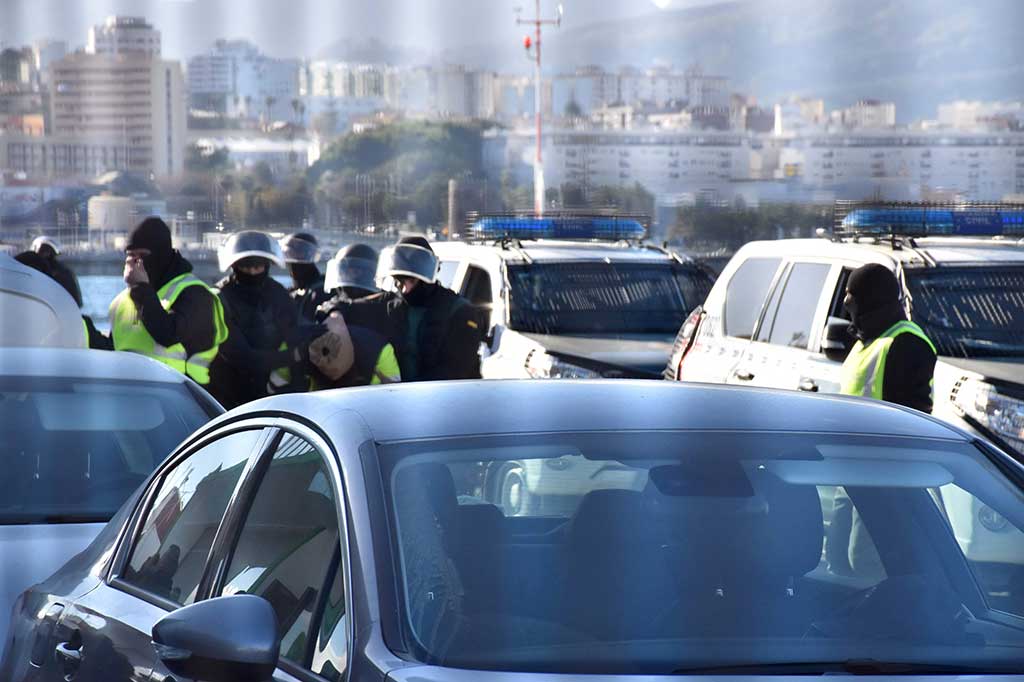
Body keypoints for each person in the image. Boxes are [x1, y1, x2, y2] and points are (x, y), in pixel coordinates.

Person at [827, 263, 937, 578]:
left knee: (866, 562)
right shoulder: (866, 340)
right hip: (848, 472)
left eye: (853, 299)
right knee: (837, 563)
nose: (848, 307)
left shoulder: (906, 342)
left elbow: (910, 419)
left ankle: (879, 623)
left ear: (871, 301)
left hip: (883, 476)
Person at [105, 217, 229, 387]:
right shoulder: (120, 302)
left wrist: (142, 288)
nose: (136, 263)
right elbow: (110, 350)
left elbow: (168, 334)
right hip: (130, 393)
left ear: (161, 254)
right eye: (131, 256)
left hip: (183, 394)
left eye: (142, 256)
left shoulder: (194, 294)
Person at [209, 230, 321, 408]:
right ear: (234, 265)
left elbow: (295, 335)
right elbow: (241, 356)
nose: (253, 272)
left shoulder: (277, 293)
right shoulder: (220, 298)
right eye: (246, 267)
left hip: (270, 396)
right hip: (225, 396)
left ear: (267, 265)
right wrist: (293, 356)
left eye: (258, 267)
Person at [377, 236, 483, 381]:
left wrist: (409, 389)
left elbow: (456, 369)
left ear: (425, 278)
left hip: (446, 398)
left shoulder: (460, 311)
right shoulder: (392, 305)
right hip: (398, 397)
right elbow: (357, 304)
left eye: (411, 281)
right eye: (399, 282)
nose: (405, 289)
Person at [311, 243, 401, 388]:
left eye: (359, 271)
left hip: (373, 387)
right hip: (333, 387)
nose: (353, 276)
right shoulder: (334, 304)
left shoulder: (387, 304)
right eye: (349, 270)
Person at [281, 231, 330, 322]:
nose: (295, 259)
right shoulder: (293, 292)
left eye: (299, 253)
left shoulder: (320, 291)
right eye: (291, 254)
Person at [31, 236, 82, 307]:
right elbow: (77, 303)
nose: (45, 254)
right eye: (43, 251)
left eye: (47, 251)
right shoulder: (64, 272)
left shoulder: (63, 273)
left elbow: (76, 302)